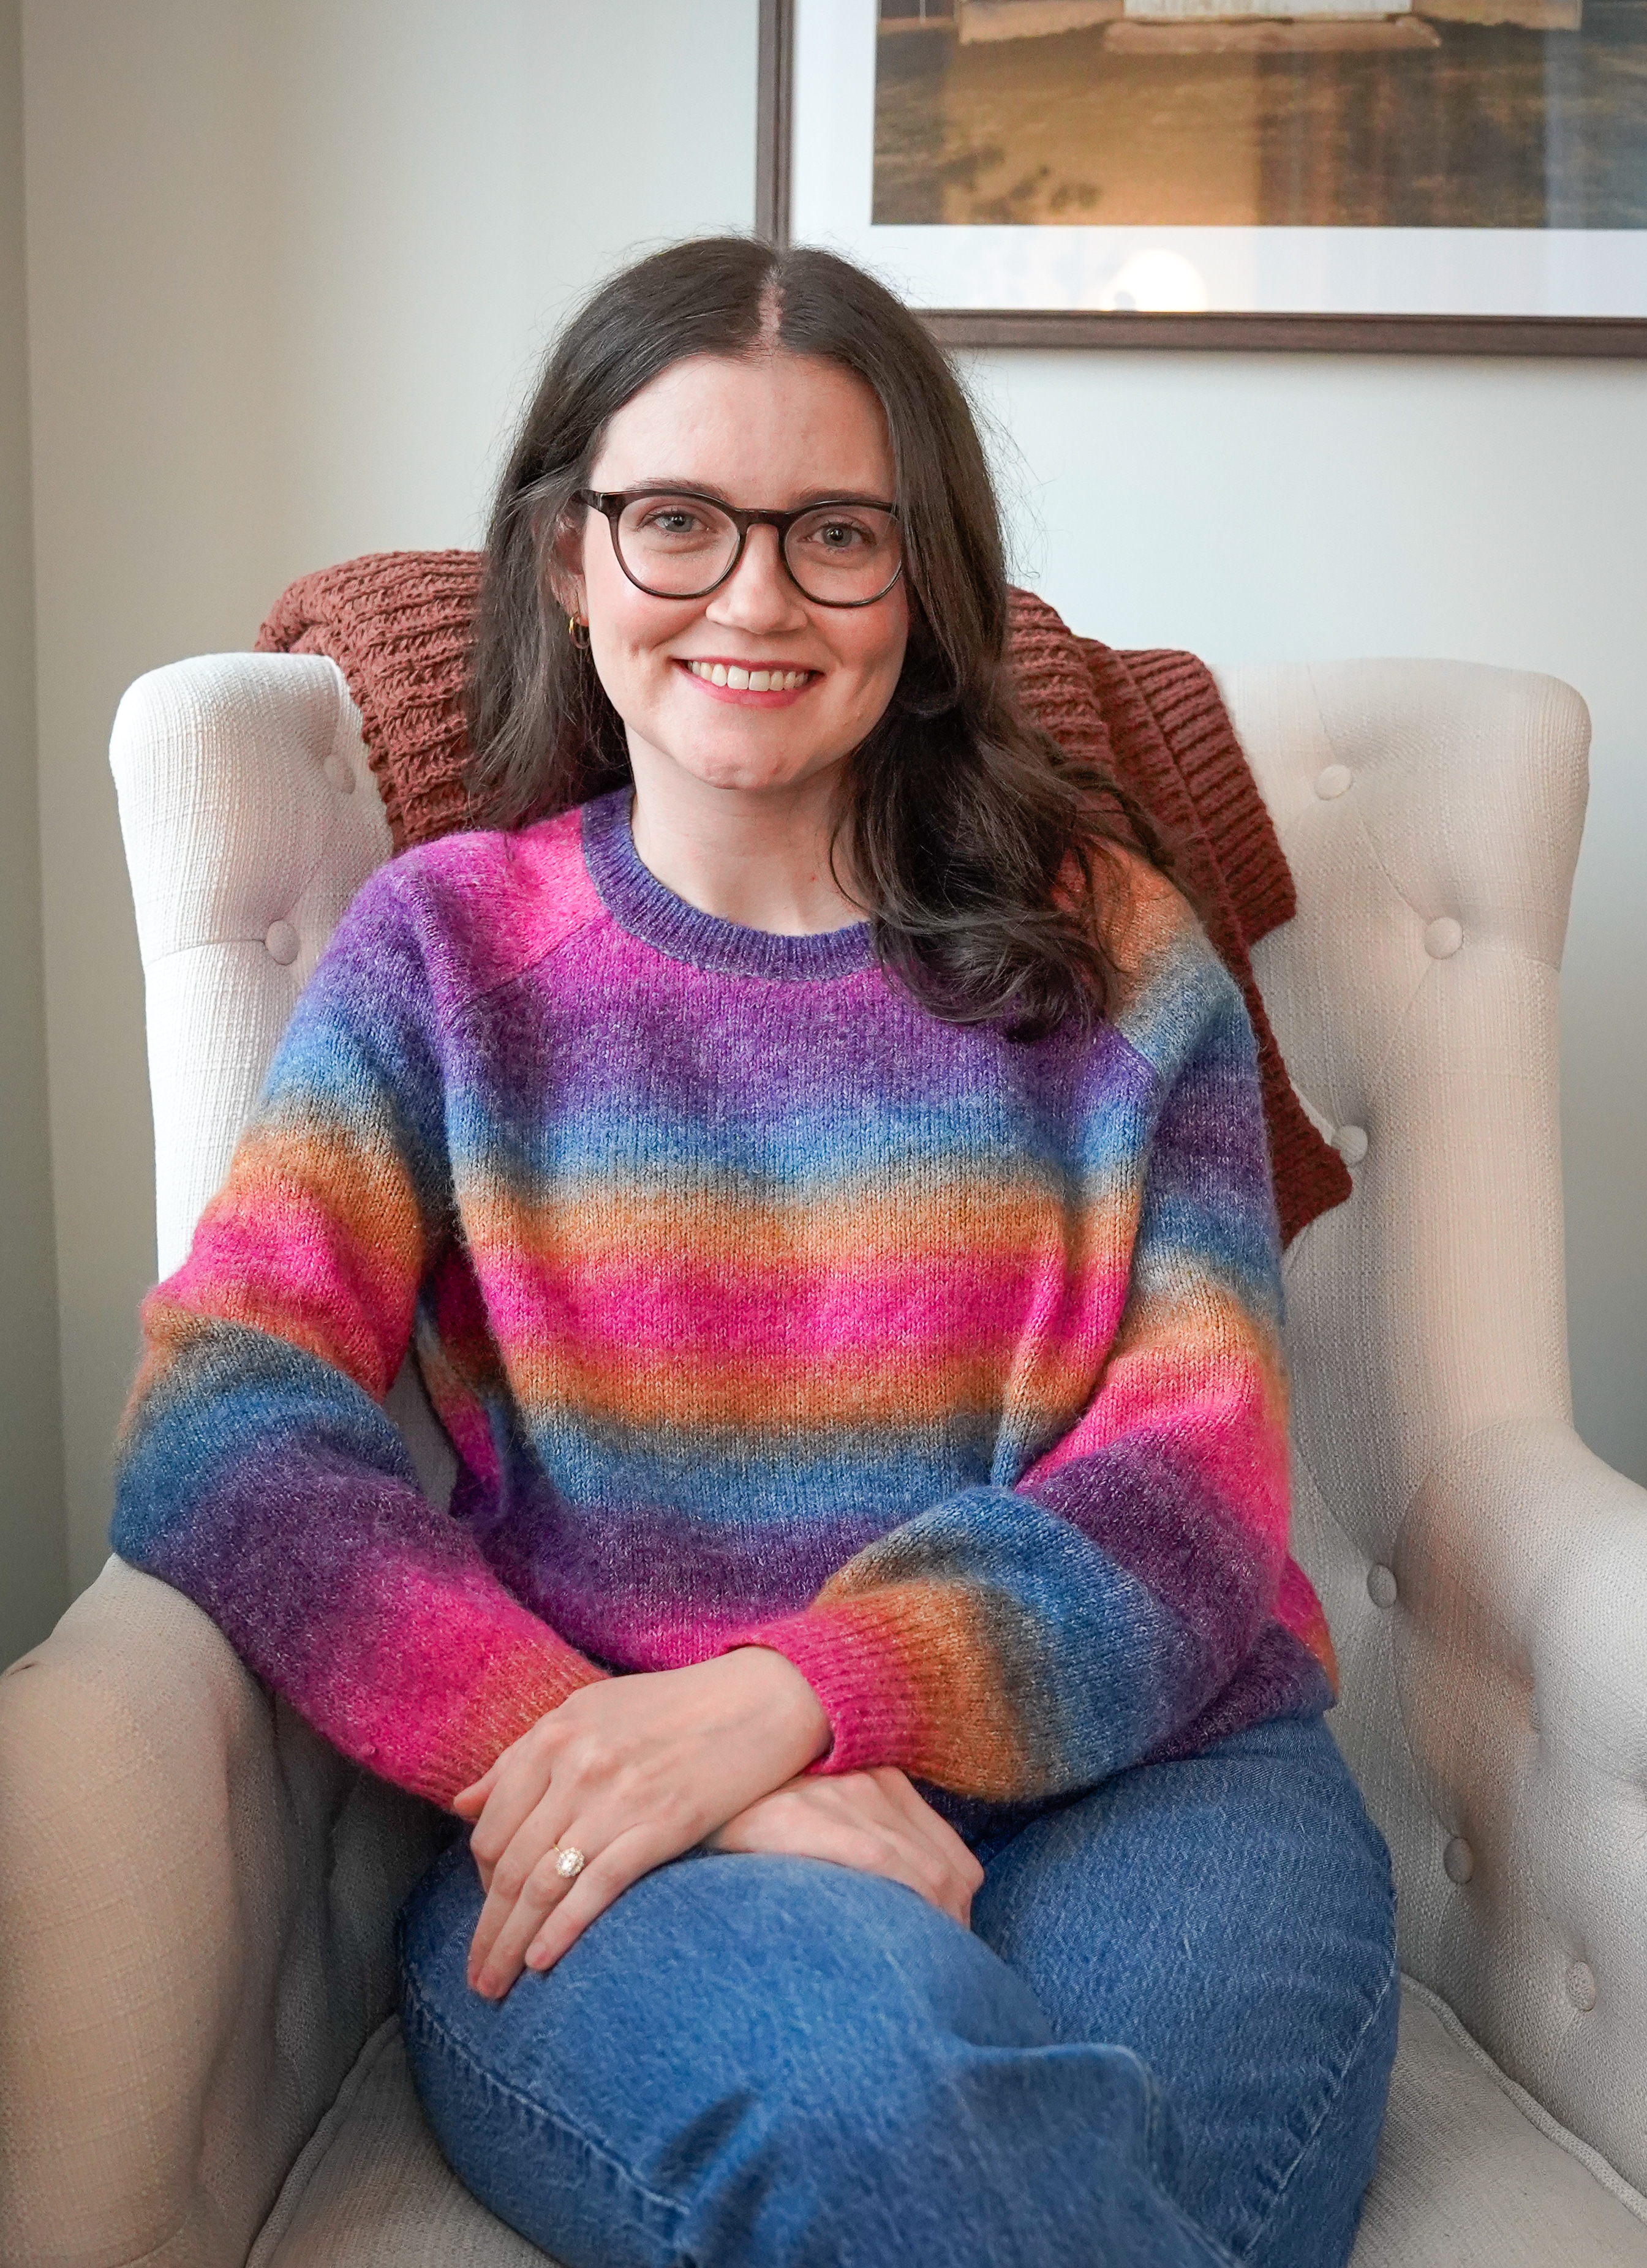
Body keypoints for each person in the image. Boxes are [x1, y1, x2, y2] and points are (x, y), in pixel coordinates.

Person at [110, 236, 1397, 2268]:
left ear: (925, 583)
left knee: (1119, 2168)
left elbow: (1190, 1489)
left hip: (1157, 1776)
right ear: (569, 555)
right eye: (678, 520)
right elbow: (222, 1421)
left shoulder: (1112, 951)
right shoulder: (446, 953)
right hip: (626, 1809)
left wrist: (799, 1694)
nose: (754, 597)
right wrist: (617, 1748)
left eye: (836, 535)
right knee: (902, 2137)